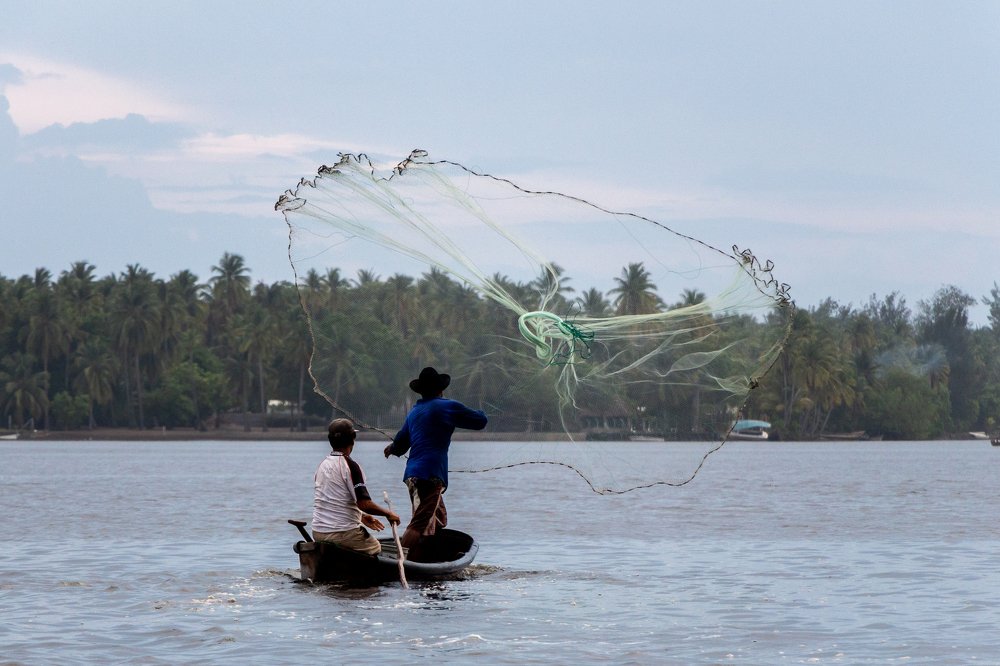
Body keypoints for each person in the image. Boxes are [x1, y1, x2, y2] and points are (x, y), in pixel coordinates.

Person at [384, 366, 488, 548]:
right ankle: (405, 560)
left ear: (422, 392)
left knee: (438, 519)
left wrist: (391, 449)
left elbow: (400, 445)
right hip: (429, 476)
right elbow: (480, 421)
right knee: (420, 523)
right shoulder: (447, 406)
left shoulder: (414, 412)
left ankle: (429, 556)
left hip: (414, 475)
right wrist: (483, 411)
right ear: (441, 390)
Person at [312, 418, 400, 555]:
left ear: (330, 440)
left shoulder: (322, 465)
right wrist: (389, 514)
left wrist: (361, 517)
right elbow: (364, 503)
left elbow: (333, 503)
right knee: (376, 548)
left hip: (318, 532)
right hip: (343, 534)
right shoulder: (351, 466)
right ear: (353, 438)